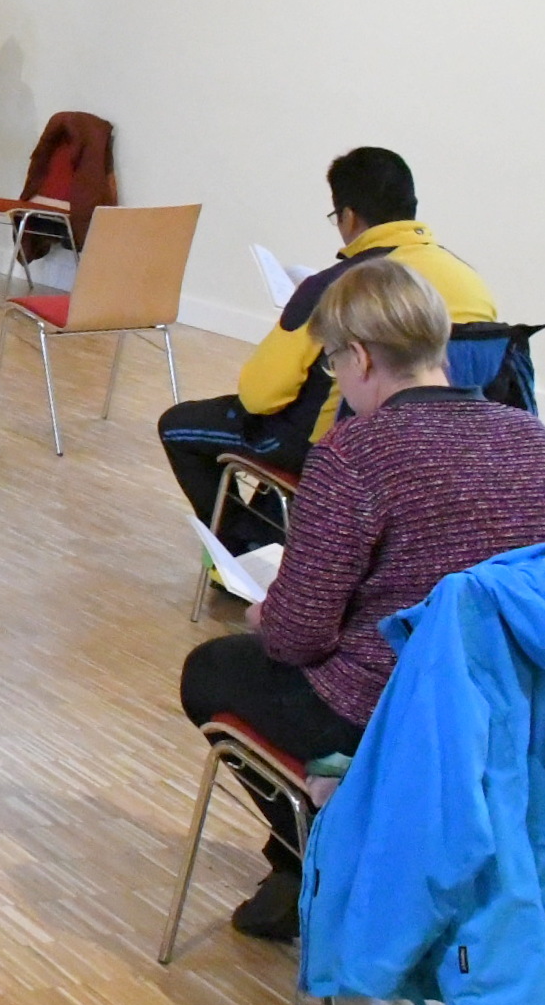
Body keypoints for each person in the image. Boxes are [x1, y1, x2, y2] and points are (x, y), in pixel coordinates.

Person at [177, 258, 545, 942]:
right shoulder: (534, 441)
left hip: (383, 713)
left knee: (211, 669)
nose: (334, 381)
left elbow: (297, 638)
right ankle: (318, 856)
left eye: (331, 365)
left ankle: (313, 855)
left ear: (363, 358)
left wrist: (266, 611)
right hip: (506, 712)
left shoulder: (356, 454)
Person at [160, 147, 498, 552]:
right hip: (448, 443)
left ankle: (248, 555)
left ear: (348, 216)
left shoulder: (339, 285)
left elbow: (261, 396)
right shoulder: (469, 280)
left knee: (179, 424)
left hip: (342, 446)